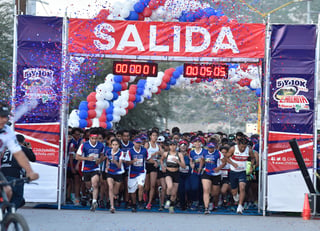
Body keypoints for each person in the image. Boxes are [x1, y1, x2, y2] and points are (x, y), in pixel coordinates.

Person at [0, 103, 39, 203]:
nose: (5, 120)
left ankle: (4, 216)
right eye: (2, 116)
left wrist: (30, 171)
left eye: (6, 116)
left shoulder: (7, 131)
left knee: (7, 191)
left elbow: (18, 153)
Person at [1, 134, 36, 209]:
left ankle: (4, 212)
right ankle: (10, 214)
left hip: (3, 174)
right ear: (23, 142)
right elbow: (33, 158)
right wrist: (29, 148)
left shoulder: (6, 149)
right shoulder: (22, 148)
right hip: (15, 174)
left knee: (6, 196)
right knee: (18, 197)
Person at [224, 136, 257, 214]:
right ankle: (236, 198)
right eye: (241, 147)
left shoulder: (248, 150)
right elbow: (226, 157)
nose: (243, 149)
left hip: (242, 171)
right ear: (238, 145)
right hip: (233, 171)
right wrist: (233, 163)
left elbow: (252, 158)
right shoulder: (233, 149)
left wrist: (251, 167)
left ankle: (240, 206)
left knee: (242, 187)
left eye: (244, 147)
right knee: (234, 191)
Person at [76, 128, 105, 212]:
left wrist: (100, 160)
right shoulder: (84, 145)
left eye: (96, 138)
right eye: (93, 138)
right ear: (89, 138)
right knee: (89, 186)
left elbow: (102, 155)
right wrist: (87, 158)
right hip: (86, 168)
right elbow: (77, 156)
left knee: (95, 183)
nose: (94, 140)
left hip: (95, 167)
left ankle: (94, 202)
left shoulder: (101, 145)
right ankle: (90, 194)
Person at [200, 140, 225, 214]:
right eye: (209, 148)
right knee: (206, 190)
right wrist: (200, 168)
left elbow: (224, 162)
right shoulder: (204, 152)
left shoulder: (218, 153)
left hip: (216, 174)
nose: (210, 149)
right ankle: (206, 208)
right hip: (206, 172)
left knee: (215, 193)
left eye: (212, 148)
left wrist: (219, 168)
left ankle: (211, 199)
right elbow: (202, 160)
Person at [161, 140, 186, 213]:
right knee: (169, 186)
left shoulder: (179, 154)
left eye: (174, 145)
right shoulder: (166, 153)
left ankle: (171, 206)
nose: (172, 147)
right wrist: (162, 166)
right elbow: (161, 160)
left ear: (176, 146)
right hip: (168, 172)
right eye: (171, 145)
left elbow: (184, 166)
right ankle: (167, 200)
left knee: (174, 193)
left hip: (176, 172)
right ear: (169, 146)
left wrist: (178, 161)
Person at [125, 137, 148, 212]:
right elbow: (127, 162)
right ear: (134, 143)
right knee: (132, 190)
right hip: (132, 172)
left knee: (141, 186)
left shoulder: (144, 150)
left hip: (141, 171)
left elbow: (147, 158)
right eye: (137, 143)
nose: (138, 144)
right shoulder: (130, 151)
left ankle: (140, 201)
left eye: (139, 143)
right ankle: (134, 204)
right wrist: (133, 161)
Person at [103, 138, 125, 213]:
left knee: (115, 192)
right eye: (113, 145)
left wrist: (115, 161)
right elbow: (107, 160)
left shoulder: (121, 153)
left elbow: (119, 166)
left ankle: (116, 197)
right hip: (110, 172)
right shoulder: (108, 152)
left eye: (116, 145)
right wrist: (106, 167)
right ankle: (112, 206)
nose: (114, 146)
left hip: (118, 173)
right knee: (110, 187)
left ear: (119, 145)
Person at [144, 130, 163, 210]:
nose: (155, 137)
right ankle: (144, 197)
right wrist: (152, 159)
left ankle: (149, 202)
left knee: (153, 185)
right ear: (150, 136)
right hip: (147, 164)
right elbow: (145, 155)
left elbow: (162, 153)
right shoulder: (147, 144)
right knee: (147, 186)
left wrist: (157, 153)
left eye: (156, 136)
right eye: (153, 135)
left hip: (154, 166)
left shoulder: (158, 145)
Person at [189, 136, 206, 210]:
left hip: (203, 171)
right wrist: (191, 165)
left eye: (199, 142)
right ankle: (195, 201)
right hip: (195, 171)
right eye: (196, 142)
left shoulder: (204, 151)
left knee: (202, 187)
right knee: (194, 187)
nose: (197, 143)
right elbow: (191, 161)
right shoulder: (191, 152)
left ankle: (201, 203)